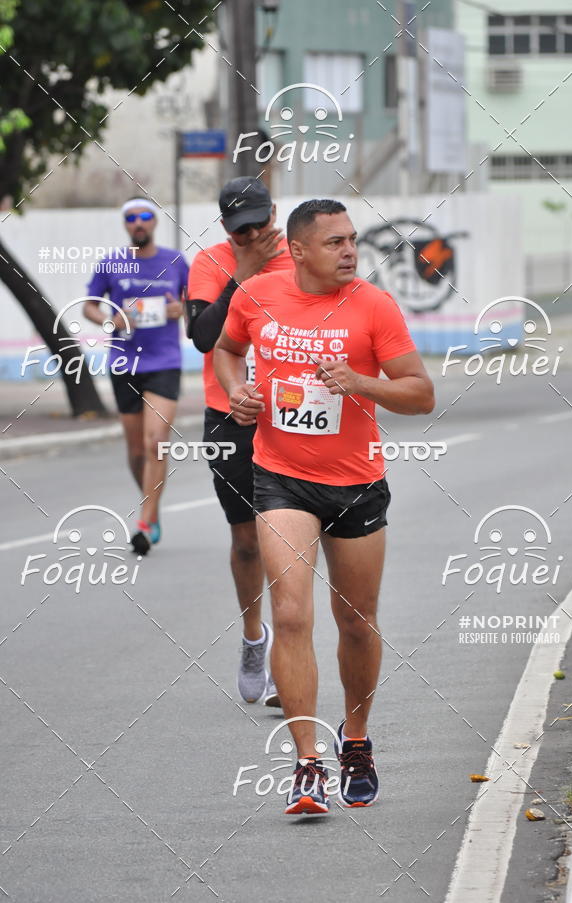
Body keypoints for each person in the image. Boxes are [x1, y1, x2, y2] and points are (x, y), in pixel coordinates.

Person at [214, 199, 434, 815]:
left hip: (357, 482)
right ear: (300, 250)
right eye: (334, 242)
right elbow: (227, 350)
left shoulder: (373, 306)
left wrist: (362, 383)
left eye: (352, 240)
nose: (349, 251)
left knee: (356, 622)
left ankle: (356, 742)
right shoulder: (258, 293)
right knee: (289, 615)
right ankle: (307, 762)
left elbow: (421, 395)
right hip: (281, 476)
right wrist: (239, 393)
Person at [186, 177, 292, 706]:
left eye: (259, 224)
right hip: (229, 419)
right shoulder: (211, 262)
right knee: (248, 540)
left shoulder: (301, 258)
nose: (252, 235)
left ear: (274, 212)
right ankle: (255, 637)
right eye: (240, 230)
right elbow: (204, 336)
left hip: (294, 419)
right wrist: (243, 276)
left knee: (286, 540)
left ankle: (283, 664)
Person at [84, 198, 189, 555]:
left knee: (155, 440)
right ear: (126, 224)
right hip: (124, 363)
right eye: (131, 218)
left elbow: (196, 302)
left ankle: (145, 519)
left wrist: (181, 309)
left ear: (154, 221)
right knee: (135, 450)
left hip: (164, 362)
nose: (138, 223)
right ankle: (152, 506)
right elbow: (89, 305)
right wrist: (111, 320)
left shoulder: (174, 261)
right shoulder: (112, 262)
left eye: (145, 216)